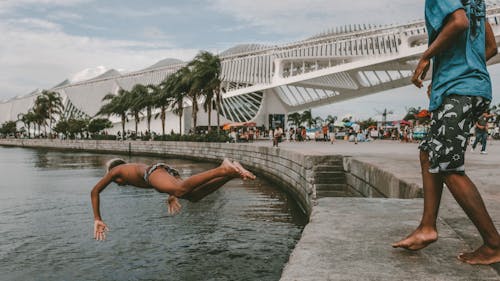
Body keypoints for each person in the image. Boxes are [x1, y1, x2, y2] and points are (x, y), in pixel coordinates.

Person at [392, 0, 500, 265]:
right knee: (429, 154)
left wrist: (426, 56)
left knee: (448, 166)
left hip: (459, 91)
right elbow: (490, 47)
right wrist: (448, 74)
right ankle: (427, 227)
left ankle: (494, 244)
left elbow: (459, 22)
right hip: (473, 88)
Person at [90, 158, 256, 241]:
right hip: (160, 171)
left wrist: (97, 218)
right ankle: (231, 174)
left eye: (114, 182)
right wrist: (171, 196)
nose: (117, 184)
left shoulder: (116, 170)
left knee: (181, 189)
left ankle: (223, 168)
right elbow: (167, 180)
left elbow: (95, 191)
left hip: (153, 172)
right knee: (193, 196)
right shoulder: (129, 170)